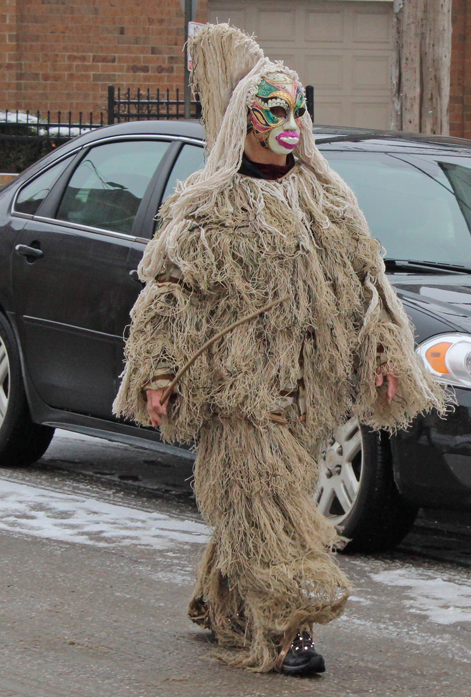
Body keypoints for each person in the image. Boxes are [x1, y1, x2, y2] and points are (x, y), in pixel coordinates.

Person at [113, 24, 449, 676]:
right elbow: (170, 294)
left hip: (307, 395)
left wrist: (382, 355)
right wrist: (157, 372)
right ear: (248, 119)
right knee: (270, 509)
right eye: (275, 108)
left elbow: (364, 284)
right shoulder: (210, 203)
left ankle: (224, 597)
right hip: (240, 393)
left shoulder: (328, 201)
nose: (289, 120)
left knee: (259, 503)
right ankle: (292, 628)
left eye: (297, 107)